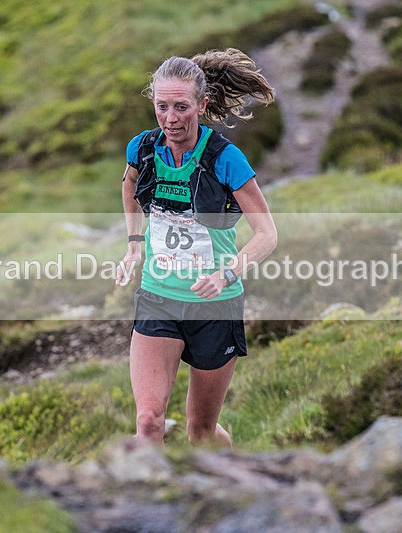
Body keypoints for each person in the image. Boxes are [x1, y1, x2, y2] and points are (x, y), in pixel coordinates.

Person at [115, 48, 277, 447]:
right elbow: (129, 185)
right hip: (158, 299)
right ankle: (153, 503)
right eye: (162, 106)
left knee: (200, 432)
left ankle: (229, 472)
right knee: (149, 420)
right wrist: (135, 246)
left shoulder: (226, 158)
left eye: (181, 107)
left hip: (215, 308)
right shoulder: (142, 148)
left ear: (202, 105)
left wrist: (227, 274)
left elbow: (267, 235)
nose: (171, 119)